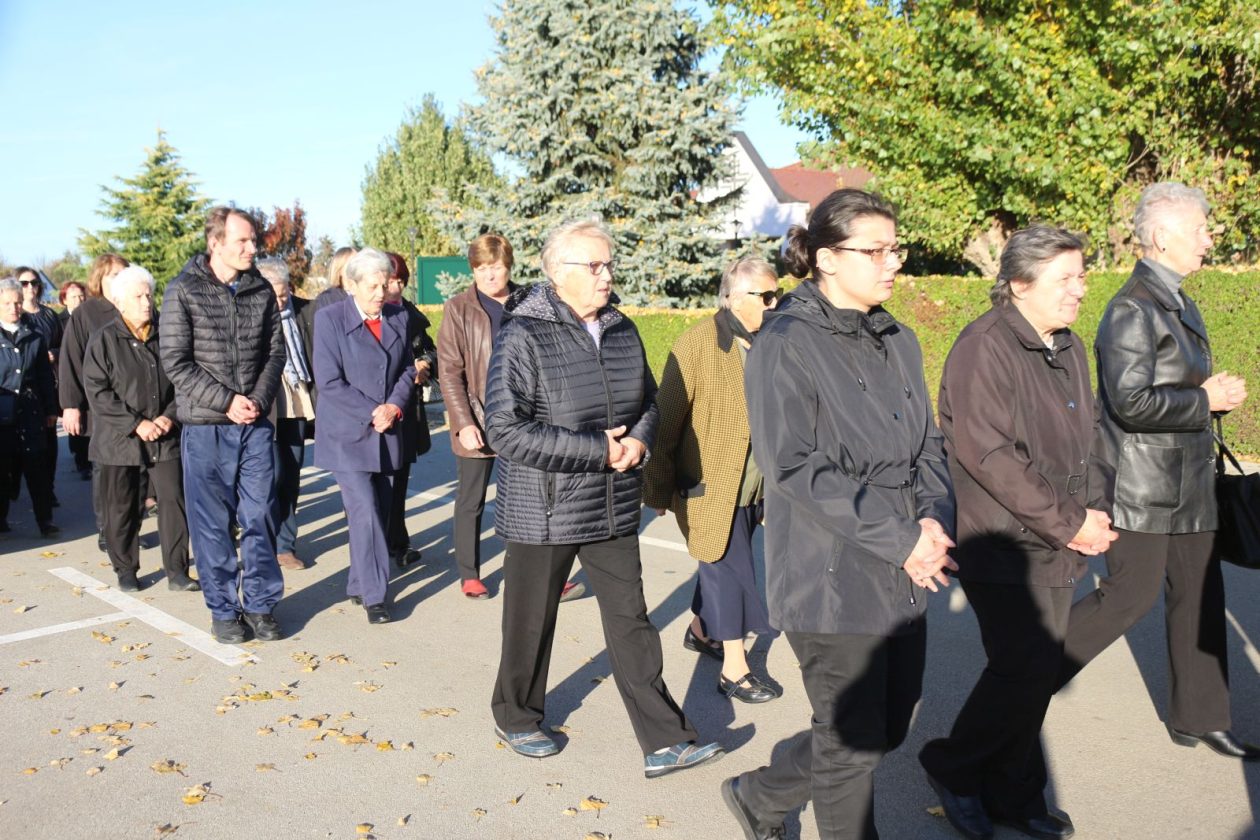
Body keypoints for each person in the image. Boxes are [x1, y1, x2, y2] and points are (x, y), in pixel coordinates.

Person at [723, 189, 956, 840]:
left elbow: (929, 444)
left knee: (884, 729)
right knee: (852, 750)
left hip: (904, 570)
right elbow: (793, 465)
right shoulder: (786, 342)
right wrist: (902, 537)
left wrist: (934, 519)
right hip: (828, 578)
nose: (892, 264)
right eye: (875, 250)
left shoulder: (899, 339)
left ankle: (763, 793)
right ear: (826, 259)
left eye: (895, 248)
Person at [484, 218, 723, 778]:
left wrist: (638, 439)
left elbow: (648, 401)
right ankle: (516, 715)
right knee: (530, 620)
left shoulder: (621, 329)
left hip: (612, 502)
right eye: (594, 266)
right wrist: (597, 449)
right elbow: (505, 430)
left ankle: (666, 739)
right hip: (543, 506)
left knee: (631, 619)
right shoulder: (523, 333)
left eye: (609, 264)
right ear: (557, 273)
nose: (606, 276)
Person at [917, 227, 1118, 840]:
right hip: (1003, 539)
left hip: (1058, 534)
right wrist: (1070, 519)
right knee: (1024, 667)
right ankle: (953, 767)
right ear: (1021, 283)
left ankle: (1012, 791)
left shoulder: (1068, 346)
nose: (1080, 289)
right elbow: (989, 454)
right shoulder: (985, 346)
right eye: (1066, 279)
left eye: (1081, 276)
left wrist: (1094, 510)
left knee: (1033, 668)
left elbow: (1094, 437)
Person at [1056, 182, 1256, 760]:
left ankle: (1203, 718)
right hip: (1142, 487)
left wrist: (1204, 398)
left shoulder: (1176, 298)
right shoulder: (1130, 308)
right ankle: (1024, 678)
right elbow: (1129, 402)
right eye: (1200, 229)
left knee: (1199, 594)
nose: (1209, 238)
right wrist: (1206, 398)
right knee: (1128, 596)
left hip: (1189, 484)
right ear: (1162, 237)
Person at [644, 255, 781, 704]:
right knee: (729, 567)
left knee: (720, 561)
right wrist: (657, 488)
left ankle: (702, 629)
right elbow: (664, 424)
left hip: (756, 486)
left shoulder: (771, 341)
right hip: (708, 486)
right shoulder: (697, 344)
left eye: (777, 293)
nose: (775, 302)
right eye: (767, 295)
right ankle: (735, 669)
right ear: (736, 297)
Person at [160, 206, 286, 644]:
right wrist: (226, 401)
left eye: (253, 240)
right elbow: (175, 362)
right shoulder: (182, 291)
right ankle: (223, 610)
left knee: (259, 514)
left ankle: (260, 604)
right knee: (212, 524)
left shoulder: (260, 291)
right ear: (216, 244)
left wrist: (256, 400)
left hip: (254, 425)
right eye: (243, 242)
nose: (253, 248)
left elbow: (276, 352)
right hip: (206, 426)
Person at [437, 234, 587, 603]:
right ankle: (470, 574)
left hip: (529, 419)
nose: (491, 275)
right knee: (471, 500)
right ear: (473, 270)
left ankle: (544, 575)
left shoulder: (534, 302)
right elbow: (450, 370)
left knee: (536, 500)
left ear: (509, 266)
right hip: (479, 417)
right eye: (483, 269)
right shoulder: (459, 308)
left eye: (498, 267)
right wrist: (464, 422)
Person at [312, 248, 416, 624]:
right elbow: (328, 381)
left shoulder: (398, 316)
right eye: (372, 285)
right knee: (366, 511)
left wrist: (394, 407)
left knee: (380, 512)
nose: (381, 292)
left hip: (388, 430)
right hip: (347, 432)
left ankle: (358, 582)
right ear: (351, 285)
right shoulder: (329, 319)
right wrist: (372, 412)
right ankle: (376, 596)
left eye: (384, 284)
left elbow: (407, 369)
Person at [82, 265, 198, 593]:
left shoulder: (168, 334)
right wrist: (136, 424)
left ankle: (177, 571)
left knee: (174, 500)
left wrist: (168, 416)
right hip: (120, 440)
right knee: (123, 506)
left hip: (165, 435)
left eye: (149, 294)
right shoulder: (104, 339)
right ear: (120, 302)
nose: (146, 301)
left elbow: (184, 380)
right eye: (138, 296)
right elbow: (97, 390)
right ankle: (126, 569)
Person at [60, 254, 129, 528]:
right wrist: (71, 405)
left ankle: (127, 528)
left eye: (123, 273)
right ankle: (106, 527)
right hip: (99, 406)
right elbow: (71, 361)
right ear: (99, 280)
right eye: (113, 275)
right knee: (106, 471)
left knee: (135, 475)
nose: (119, 279)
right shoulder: (86, 313)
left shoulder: (137, 306)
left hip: (135, 404)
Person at [258, 258, 315, 572]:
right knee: (267, 476)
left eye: (284, 294)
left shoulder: (303, 311)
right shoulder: (250, 317)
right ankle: (262, 541)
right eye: (276, 296)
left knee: (290, 474)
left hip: (295, 398)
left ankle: (285, 545)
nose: (282, 301)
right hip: (265, 402)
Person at [382, 251, 436, 569]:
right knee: (377, 486)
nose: (396, 287)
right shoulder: (364, 314)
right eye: (392, 281)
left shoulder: (410, 313)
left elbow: (429, 349)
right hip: (374, 411)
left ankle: (398, 544)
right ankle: (377, 547)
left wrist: (425, 362)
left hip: (407, 411)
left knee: (399, 480)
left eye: (401, 281)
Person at [0, 277, 59, 536]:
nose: (14, 308)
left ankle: (44, 520)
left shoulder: (34, 336)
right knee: (3, 471)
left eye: (17, 302)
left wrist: (50, 409)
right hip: (2, 417)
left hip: (31, 413)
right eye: (7, 303)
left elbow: (45, 376)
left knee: (37, 470)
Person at [16, 267, 64, 501]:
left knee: (50, 439)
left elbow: (64, 344)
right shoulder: (12, 316)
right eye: (24, 283)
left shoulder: (49, 315)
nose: (30, 288)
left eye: (34, 283)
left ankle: (49, 489)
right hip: (21, 386)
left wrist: (54, 353)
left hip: (48, 383)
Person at [57, 281, 89, 476]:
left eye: (81, 296)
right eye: (73, 296)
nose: (78, 300)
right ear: (64, 299)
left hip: (89, 372)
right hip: (68, 372)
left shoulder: (89, 316)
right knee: (76, 415)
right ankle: (81, 460)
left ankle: (86, 457)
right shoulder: (59, 320)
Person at [314, 246, 355, 313]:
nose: (358, 267)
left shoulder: (366, 294)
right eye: (353, 264)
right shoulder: (326, 299)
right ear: (339, 269)